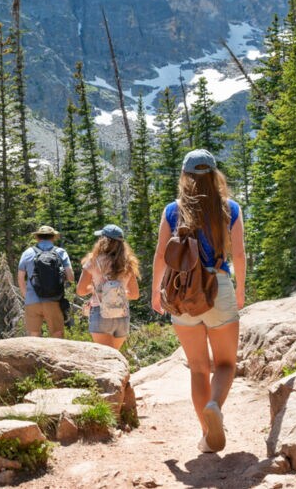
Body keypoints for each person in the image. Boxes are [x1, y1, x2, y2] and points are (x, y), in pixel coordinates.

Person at [151, 149, 246, 454]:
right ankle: (215, 405)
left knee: (197, 368)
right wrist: (240, 290)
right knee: (226, 364)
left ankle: (207, 435)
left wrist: (156, 292)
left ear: (185, 176)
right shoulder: (229, 208)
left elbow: (160, 256)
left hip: (183, 292)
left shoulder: (171, 210)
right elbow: (240, 255)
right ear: (215, 175)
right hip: (217, 285)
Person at [76, 224, 141, 350]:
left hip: (100, 313)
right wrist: (116, 293)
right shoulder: (128, 263)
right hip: (121, 315)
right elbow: (134, 294)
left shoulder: (93, 262)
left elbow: (81, 291)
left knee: (106, 360)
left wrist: (97, 289)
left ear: (103, 241)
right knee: (115, 355)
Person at [17, 225, 75, 338]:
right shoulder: (60, 252)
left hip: (32, 300)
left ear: (37, 238)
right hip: (54, 300)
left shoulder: (27, 253)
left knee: (34, 336)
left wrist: (26, 296)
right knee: (57, 334)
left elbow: (20, 278)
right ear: (53, 237)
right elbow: (71, 277)